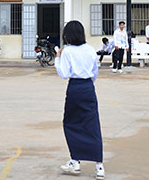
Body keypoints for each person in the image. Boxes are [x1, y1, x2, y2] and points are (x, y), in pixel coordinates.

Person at [55, 21, 105, 179]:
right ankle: (99, 166)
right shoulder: (90, 50)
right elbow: (95, 71)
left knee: (71, 123)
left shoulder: (68, 51)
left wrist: (57, 58)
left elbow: (64, 73)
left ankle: (75, 160)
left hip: (75, 87)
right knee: (92, 124)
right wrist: (89, 85)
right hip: (88, 88)